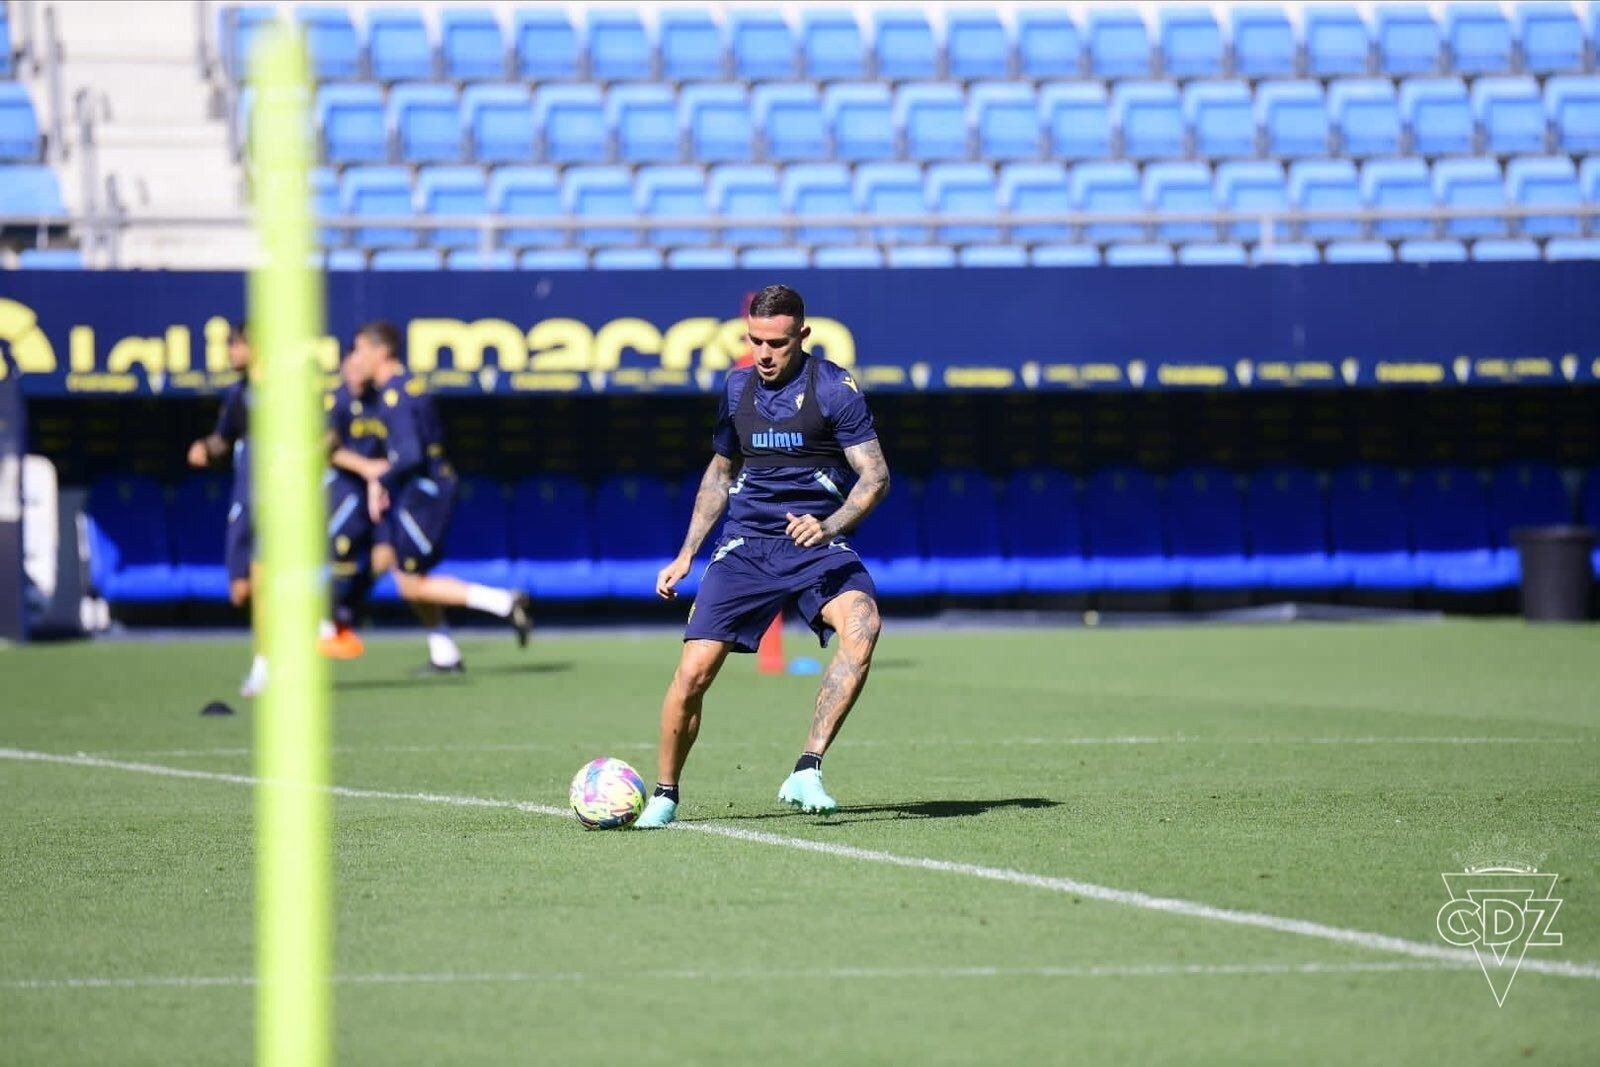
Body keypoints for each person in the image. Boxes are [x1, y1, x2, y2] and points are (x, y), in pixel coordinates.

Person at [637, 285, 890, 829]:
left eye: (776, 342)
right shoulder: (735, 389)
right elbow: (720, 474)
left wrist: (828, 526)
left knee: (863, 625)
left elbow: (875, 476)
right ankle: (665, 793)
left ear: (802, 336)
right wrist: (686, 555)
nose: (765, 353)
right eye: (755, 341)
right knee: (693, 674)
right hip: (746, 546)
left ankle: (807, 767)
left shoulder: (835, 389)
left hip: (815, 544)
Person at [343, 321, 532, 672]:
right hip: (426, 490)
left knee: (411, 585)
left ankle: (503, 602)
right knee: (408, 575)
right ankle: (444, 653)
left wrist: (379, 479)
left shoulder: (394, 395)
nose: (355, 358)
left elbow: (410, 455)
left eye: (359, 350)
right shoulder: (405, 386)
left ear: (380, 352)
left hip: (425, 494)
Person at [185, 322, 266, 696]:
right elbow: (224, 438)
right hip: (244, 498)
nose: (230, 353)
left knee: (264, 583)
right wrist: (205, 447)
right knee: (241, 590)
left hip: (277, 501)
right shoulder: (238, 393)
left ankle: (265, 666)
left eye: (235, 345)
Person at [318, 346, 385, 659]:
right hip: (343, 488)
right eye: (352, 365)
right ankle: (325, 627)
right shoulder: (335, 400)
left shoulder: (380, 400)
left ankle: (345, 615)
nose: (357, 371)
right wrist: (367, 469)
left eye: (362, 364)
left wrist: (379, 477)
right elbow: (329, 449)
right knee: (338, 553)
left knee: (384, 559)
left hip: (380, 490)